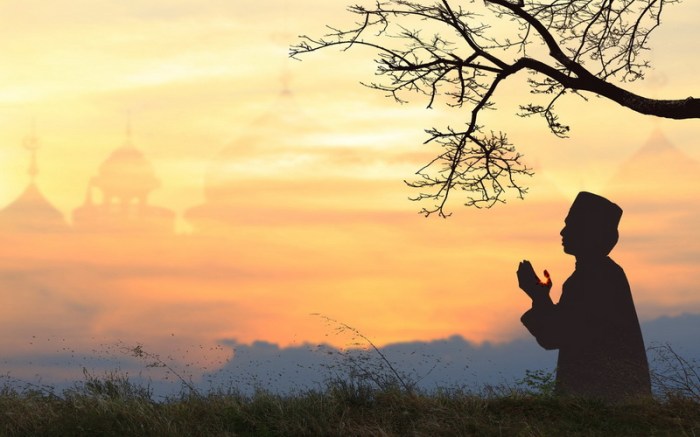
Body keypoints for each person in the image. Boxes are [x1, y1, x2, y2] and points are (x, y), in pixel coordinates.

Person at [518, 191, 651, 402]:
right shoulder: (599, 274)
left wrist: (538, 296)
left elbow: (555, 335)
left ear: (588, 232)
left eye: (571, 225)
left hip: (603, 403)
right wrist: (540, 296)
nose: (562, 232)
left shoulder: (594, 278)